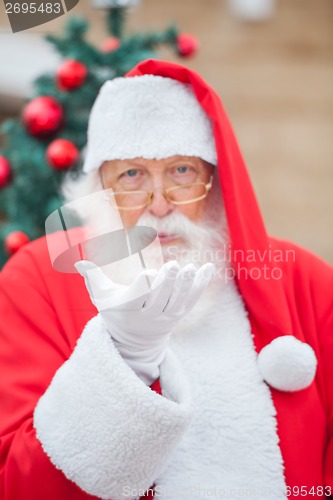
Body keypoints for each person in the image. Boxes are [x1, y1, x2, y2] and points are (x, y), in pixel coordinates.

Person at [0, 59, 332, 500]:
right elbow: (19, 480)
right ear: (99, 186)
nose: (159, 204)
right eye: (132, 175)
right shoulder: (38, 277)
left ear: (215, 180)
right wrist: (124, 363)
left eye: (181, 171)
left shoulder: (305, 279)